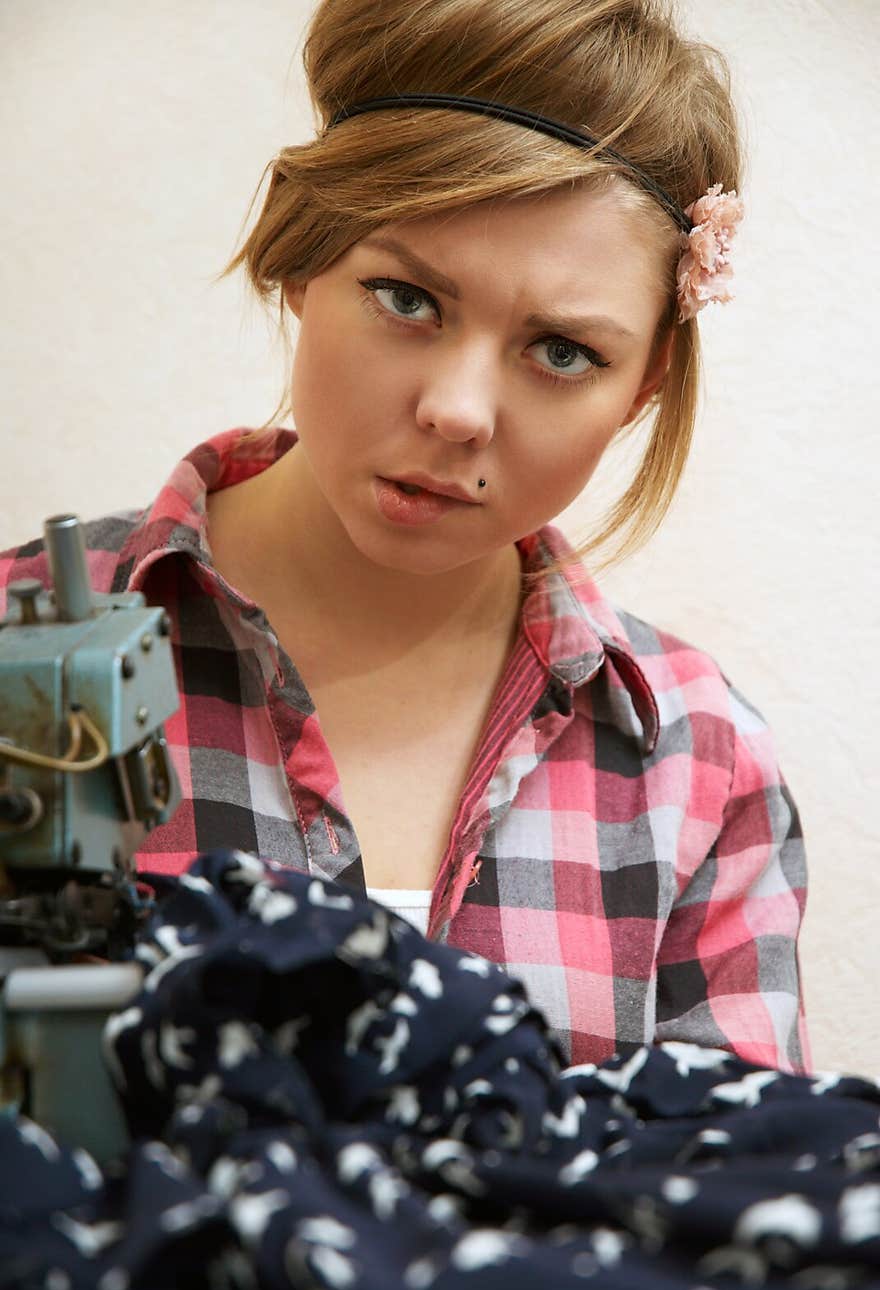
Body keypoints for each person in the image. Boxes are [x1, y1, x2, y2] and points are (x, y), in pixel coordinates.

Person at [0, 0, 810, 1073]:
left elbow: (746, 1198)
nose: (458, 410)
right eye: (407, 297)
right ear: (300, 256)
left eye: (562, 350)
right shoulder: (22, 644)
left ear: (644, 384)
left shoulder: (697, 764)